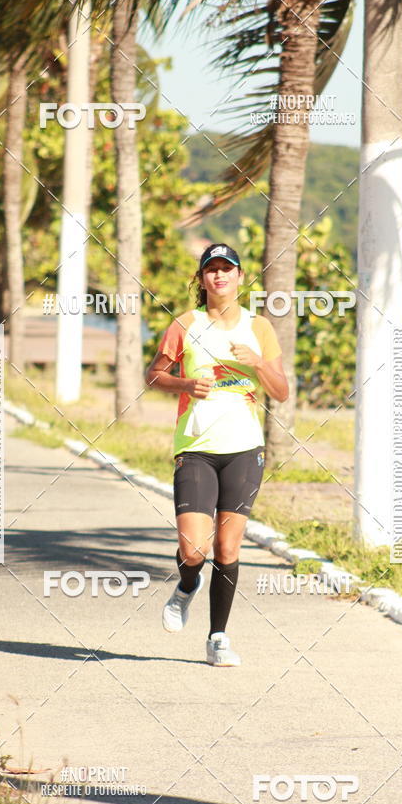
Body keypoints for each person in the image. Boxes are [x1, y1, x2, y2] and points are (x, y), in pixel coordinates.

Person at [145, 243, 289, 667]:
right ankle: (187, 585)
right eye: (212, 270)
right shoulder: (185, 325)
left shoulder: (258, 328)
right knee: (194, 549)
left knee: (227, 548)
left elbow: (280, 391)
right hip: (196, 449)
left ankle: (218, 638)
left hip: (244, 450)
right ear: (202, 279)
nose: (220, 277)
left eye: (228, 269)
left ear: (240, 278)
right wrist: (185, 386)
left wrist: (259, 363)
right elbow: (153, 375)